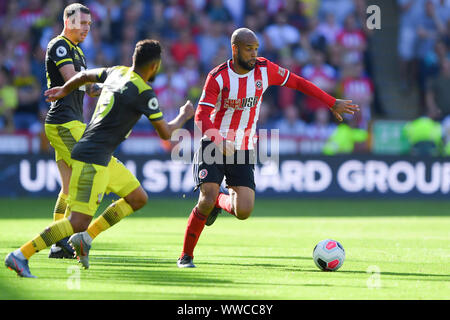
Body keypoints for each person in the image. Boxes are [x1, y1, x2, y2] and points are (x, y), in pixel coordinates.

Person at [5, 39, 195, 278]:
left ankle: (85, 239)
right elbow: (166, 133)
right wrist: (183, 115)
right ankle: (21, 255)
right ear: (155, 66)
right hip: (92, 158)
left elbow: (84, 76)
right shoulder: (145, 93)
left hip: (102, 155)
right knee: (76, 221)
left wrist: (64, 90)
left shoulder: (116, 72)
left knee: (137, 198)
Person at [177, 28, 359, 268]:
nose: (253, 54)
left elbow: (298, 82)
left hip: (242, 148)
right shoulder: (218, 76)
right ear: (235, 49)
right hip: (214, 142)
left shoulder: (265, 69)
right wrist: (219, 142)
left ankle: (219, 201)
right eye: (248, 49)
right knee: (206, 196)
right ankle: (186, 256)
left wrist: (331, 102)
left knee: (243, 210)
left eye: (256, 49)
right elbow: (201, 115)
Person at [43, 3, 98, 259]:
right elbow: (70, 79)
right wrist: (90, 79)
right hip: (63, 121)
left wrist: (107, 86)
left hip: (71, 120)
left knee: (67, 188)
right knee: (88, 173)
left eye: (89, 24)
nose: (86, 28)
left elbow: (85, 86)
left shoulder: (78, 51)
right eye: (82, 23)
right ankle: (65, 237)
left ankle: (57, 244)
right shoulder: (60, 45)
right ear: (68, 21)